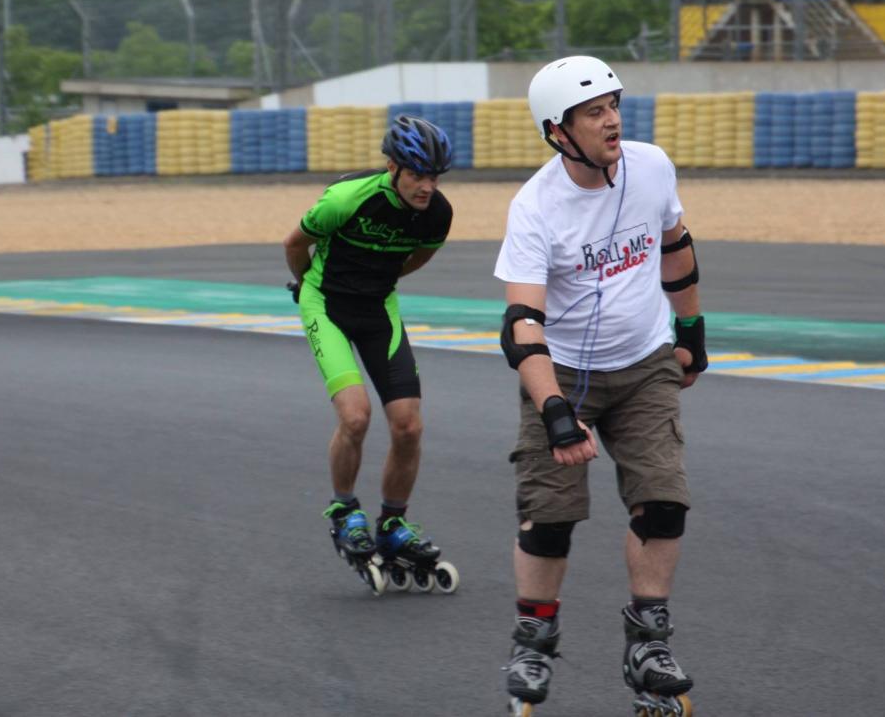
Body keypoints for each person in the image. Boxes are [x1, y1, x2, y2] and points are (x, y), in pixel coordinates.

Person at [493, 56, 707, 714]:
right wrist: (554, 408)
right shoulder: (535, 207)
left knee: (663, 500)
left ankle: (648, 639)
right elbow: (521, 325)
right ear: (558, 131)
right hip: (560, 373)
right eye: (594, 111)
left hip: (644, 363)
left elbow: (676, 242)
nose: (612, 118)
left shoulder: (651, 166)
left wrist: (692, 326)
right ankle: (534, 637)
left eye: (614, 103)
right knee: (550, 514)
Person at [283, 114, 456, 586]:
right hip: (327, 306)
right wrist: (304, 287)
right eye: (417, 174)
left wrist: (380, 278)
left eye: (434, 177)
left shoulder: (438, 213)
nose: (427, 187)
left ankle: (394, 523)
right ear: (392, 167)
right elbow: (296, 243)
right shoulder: (346, 198)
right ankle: (344, 509)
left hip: (378, 309)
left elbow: (419, 257)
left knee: (408, 425)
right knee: (356, 416)